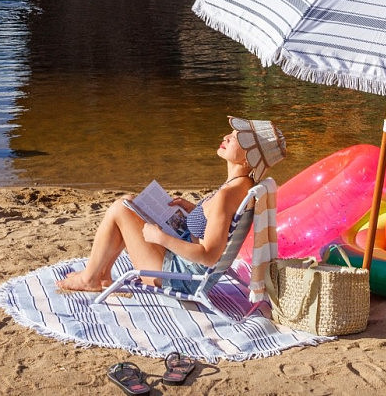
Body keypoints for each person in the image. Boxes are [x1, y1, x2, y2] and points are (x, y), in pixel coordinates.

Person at [56, 117, 286, 293]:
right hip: (182, 265)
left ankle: (90, 278)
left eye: (236, 138)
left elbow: (209, 256)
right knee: (129, 202)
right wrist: (194, 211)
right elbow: (216, 225)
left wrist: (161, 238)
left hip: (180, 278)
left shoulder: (228, 195)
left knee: (119, 208)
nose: (226, 137)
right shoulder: (241, 186)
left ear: (248, 158)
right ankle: (101, 273)